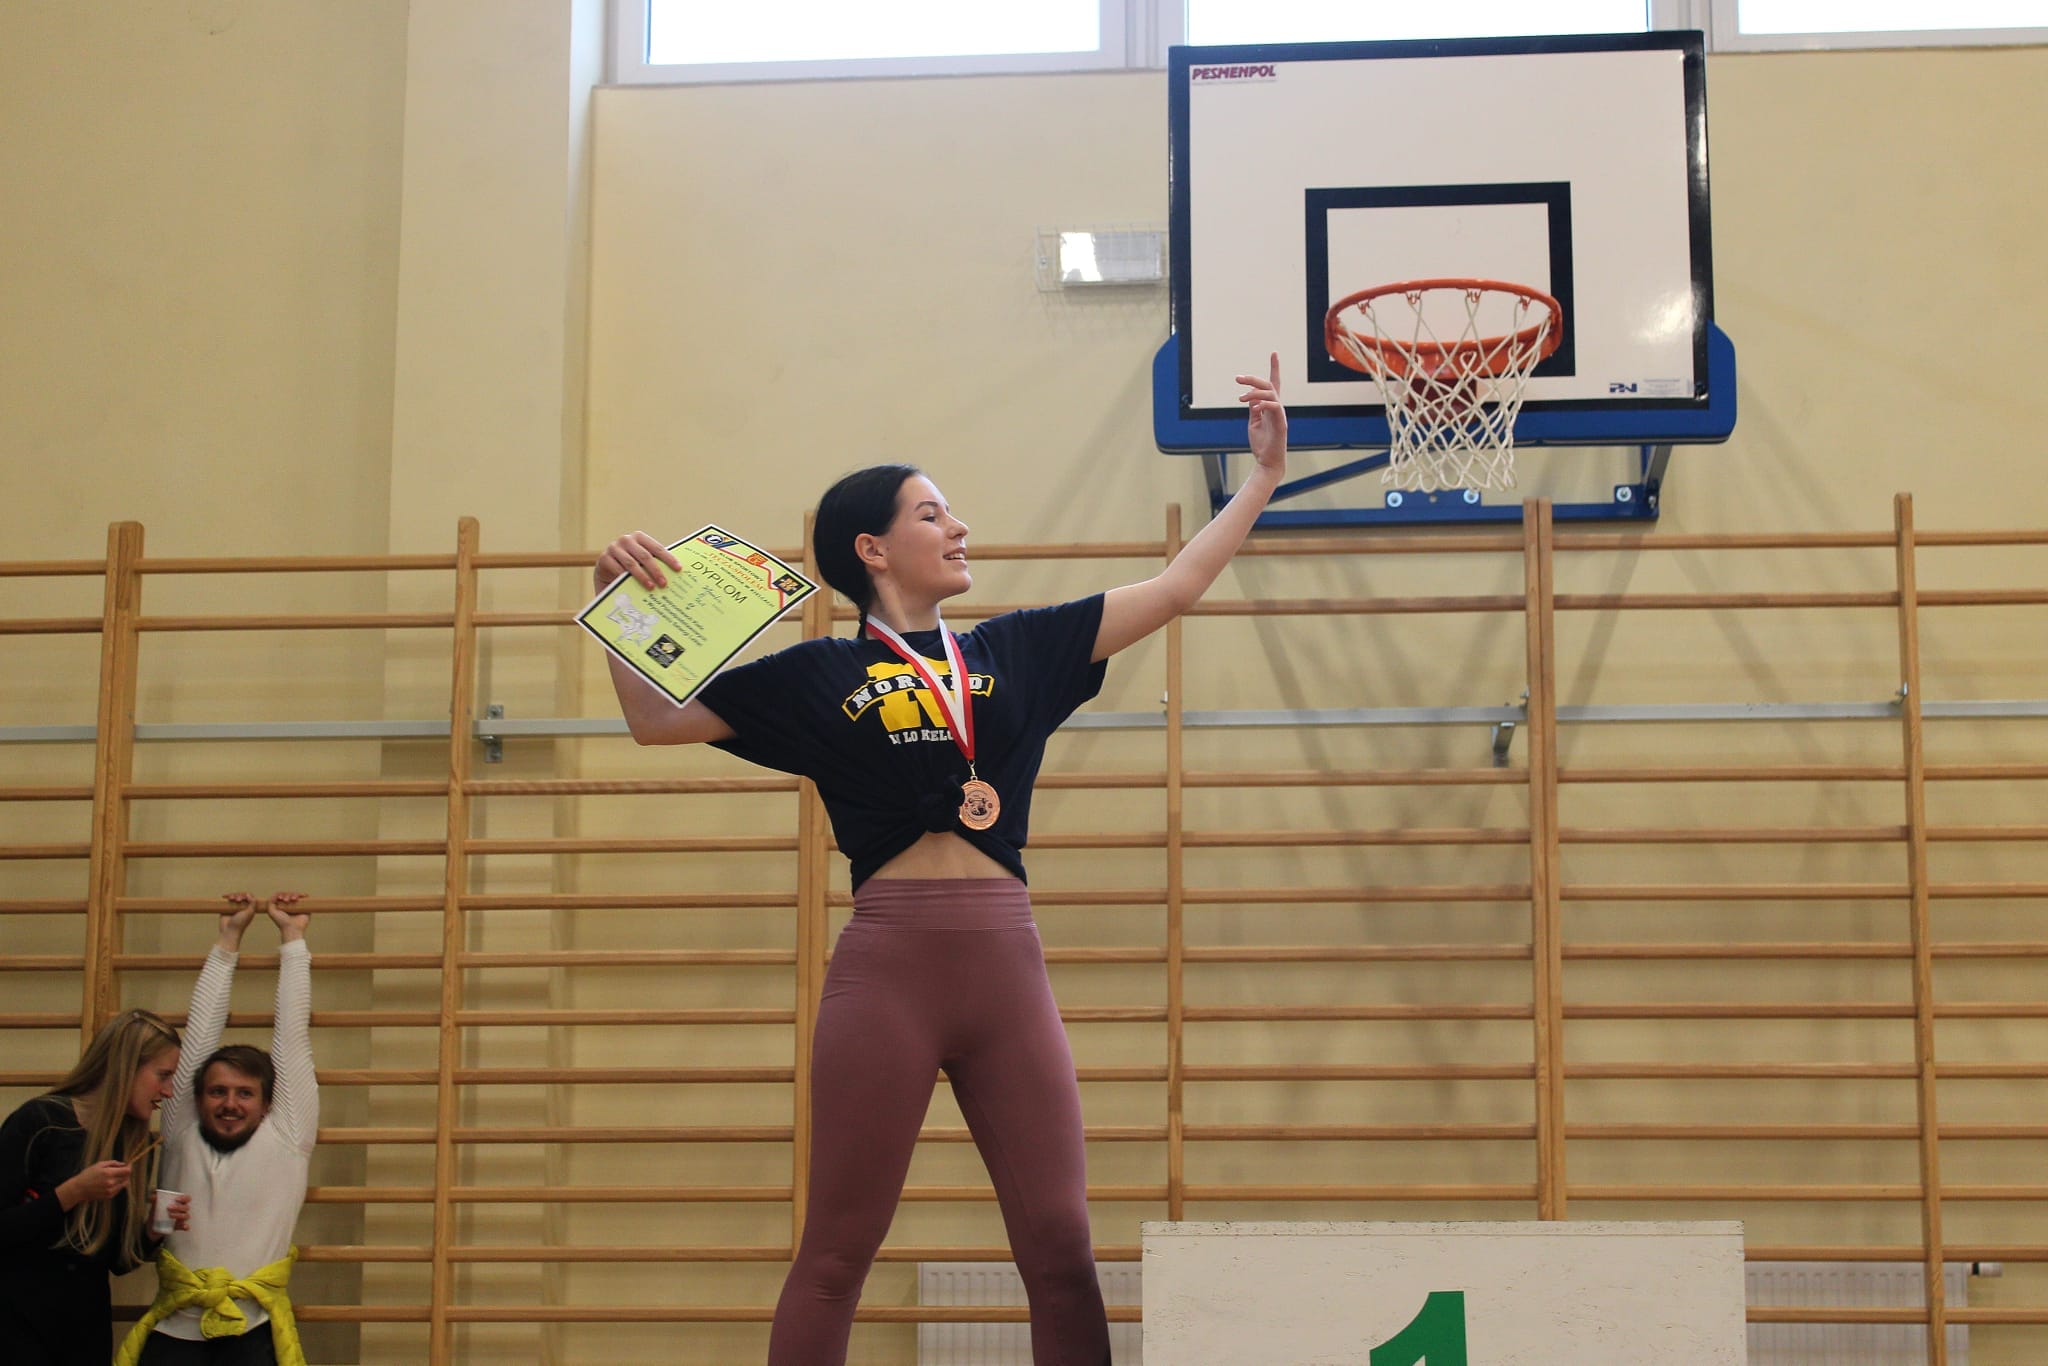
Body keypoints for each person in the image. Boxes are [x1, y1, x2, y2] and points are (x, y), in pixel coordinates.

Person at [595, 357, 1287, 1365]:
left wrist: (1261, 477)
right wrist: (618, 604)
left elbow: (1178, 586)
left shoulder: (1019, 650)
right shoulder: (816, 672)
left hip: (1008, 971)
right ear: (872, 548)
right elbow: (657, 721)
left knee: (1062, 1251)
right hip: (888, 975)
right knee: (836, 1252)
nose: (959, 527)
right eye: (932, 514)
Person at [116, 892, 317, 1366]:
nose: (229, 1104)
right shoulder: (181, 1129)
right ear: (195, 1097)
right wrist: (228, 939)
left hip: (253, 1331)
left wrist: (292, 940)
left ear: (267, 1104)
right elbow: (200, 1033)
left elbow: (292, 1037)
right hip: (174, 1332)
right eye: (217, 1092)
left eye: (245, 1093)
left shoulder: (287, 1135)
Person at [0, 1006, 186, 1365]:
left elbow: (116, 1260)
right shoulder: (40, 1122)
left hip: (84, 1332)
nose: (168, 1091)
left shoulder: (135, 1144)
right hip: (17, 1325)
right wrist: (72, 1193)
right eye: (163, 1075)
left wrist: (153, 1230)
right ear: (125, 1067)